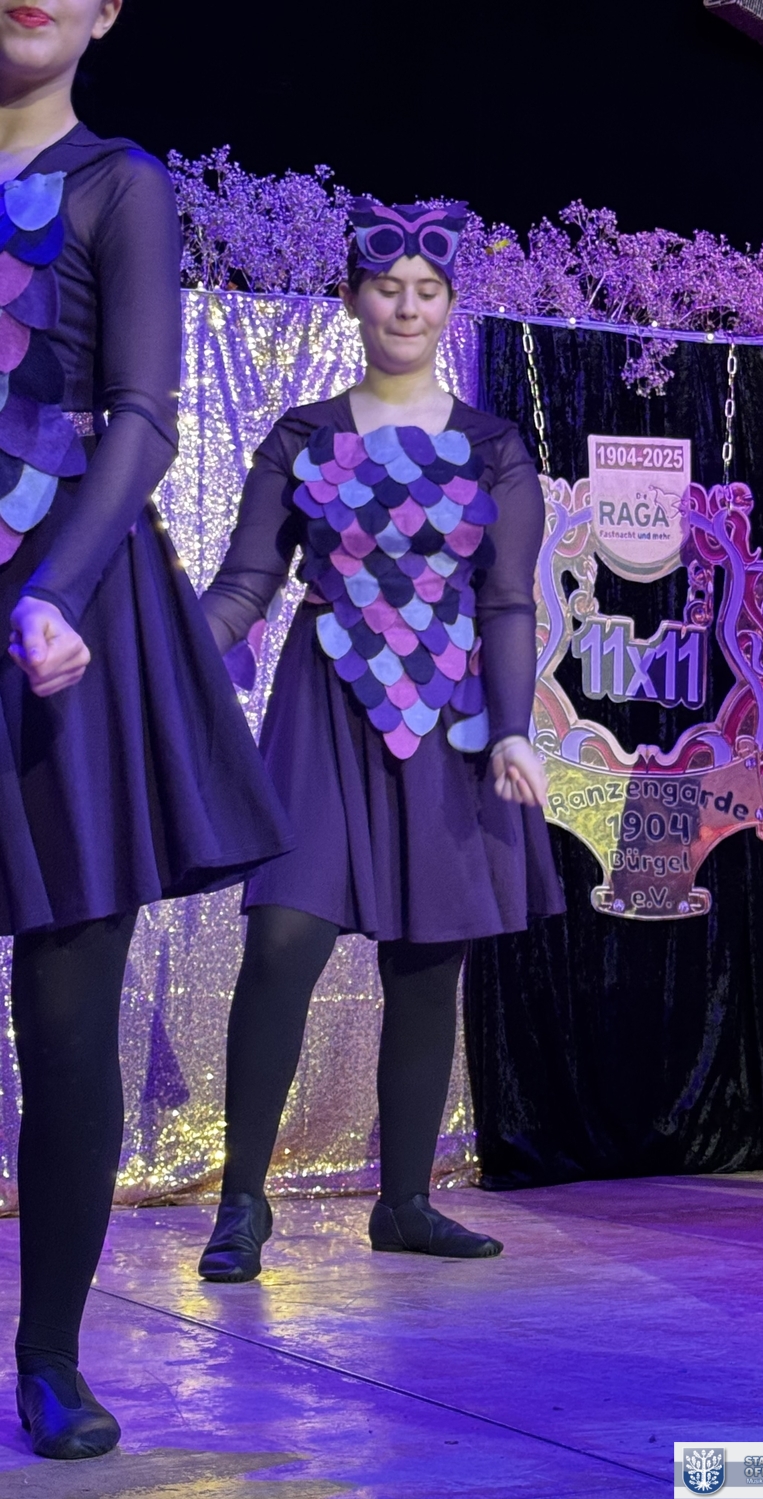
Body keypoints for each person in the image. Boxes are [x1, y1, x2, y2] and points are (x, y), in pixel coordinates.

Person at [0, 0, 293, 1463]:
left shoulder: (122, 185)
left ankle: (48, 1355)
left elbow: (142, 414)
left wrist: (55, 588)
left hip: (65, 613)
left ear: (109, 8)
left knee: (64, 1016)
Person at [197, 197, 566, 1283]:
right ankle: (242, 1201)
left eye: (427, 291)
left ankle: (404, 1200)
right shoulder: (302, 435)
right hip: (324, 703)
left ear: (448, 306)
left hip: (449, 713)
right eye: (387, 288)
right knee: (283, 939)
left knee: (428, 957)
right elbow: (247, 582)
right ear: (354, 300)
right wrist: (171, 646)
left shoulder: (492, 447)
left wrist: (513, 730)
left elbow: (507, 600)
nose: (406, 307)